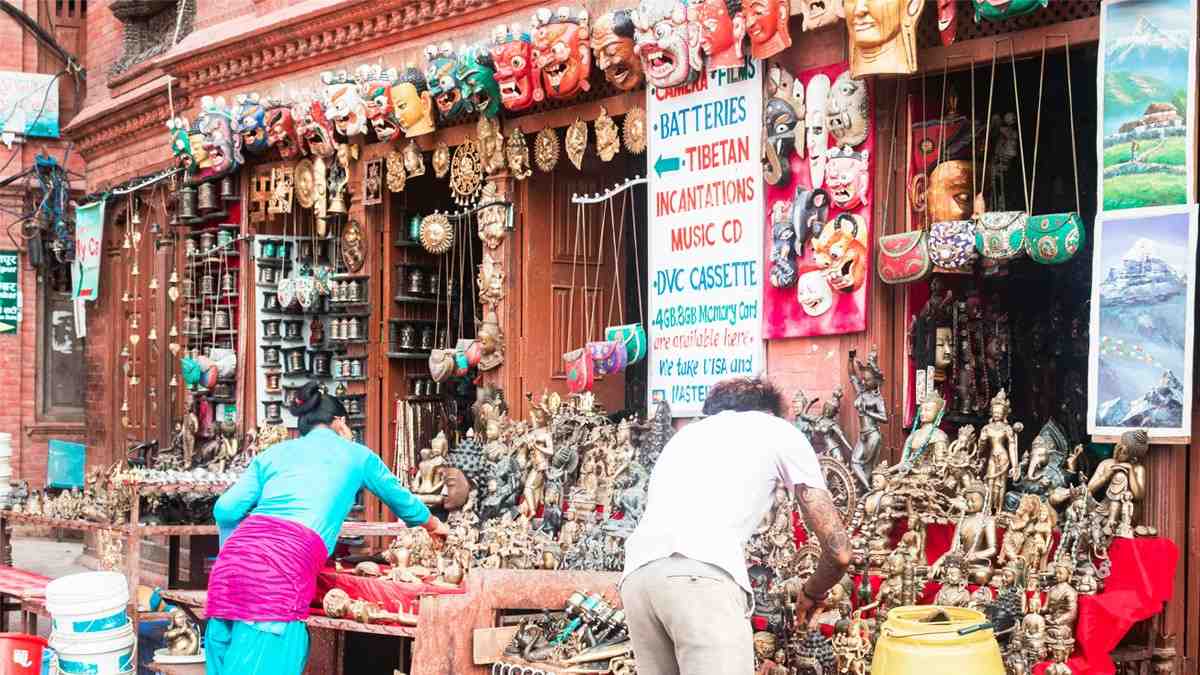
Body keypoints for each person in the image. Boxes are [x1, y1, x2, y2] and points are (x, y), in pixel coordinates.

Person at [205, 382, 448, 674]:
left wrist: (235, 549)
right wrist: (434, 526)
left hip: (232, 567)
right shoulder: (357, 455)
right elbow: (403, 501)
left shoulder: (274, 454)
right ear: (340, 422)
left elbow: (225, 510)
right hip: (281, 570)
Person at [620, 376, 852, 675]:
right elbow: (840, 551)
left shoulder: (686, 435)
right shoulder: (778, 430)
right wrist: (812, 592)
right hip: (700, 579)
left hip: (638, 579)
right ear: (771, 410)